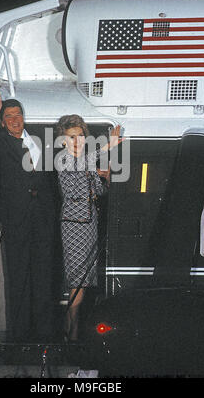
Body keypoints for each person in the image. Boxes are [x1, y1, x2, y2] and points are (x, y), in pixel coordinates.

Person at [0, 90, 58, 343]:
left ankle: (45, 334)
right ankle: (20, 336)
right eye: (9, 116)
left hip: (43, 219)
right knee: (18, 277)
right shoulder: (0, 142)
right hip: (16, 220)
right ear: (3, 122)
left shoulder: (40, 139)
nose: (15, 119)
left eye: (18, 115)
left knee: (45, 275)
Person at [55, 114, 121, 342]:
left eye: (80, 136)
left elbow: (99, 192)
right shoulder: (63, 158)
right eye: (71, 137)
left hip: (89, 222)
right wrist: (107, 147)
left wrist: (107, 178)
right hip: (73, 225)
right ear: (63, 140)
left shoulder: (86, 160)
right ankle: (70, 329)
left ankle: (73, 325)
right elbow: (82, 166)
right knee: (77, 278)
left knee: (84, 279)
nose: (77, 141)